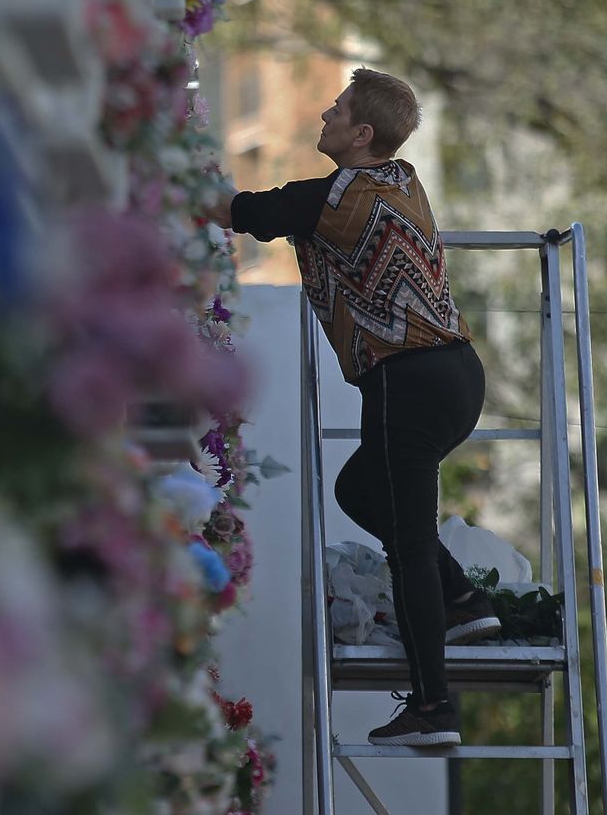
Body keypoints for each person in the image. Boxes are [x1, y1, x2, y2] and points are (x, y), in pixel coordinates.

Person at [204, 68, 501, 747]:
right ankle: (464, 599)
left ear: (361, 133)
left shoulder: (333, 195)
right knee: (360, 488)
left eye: (336, 109)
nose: (324, 114)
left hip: (409, 381)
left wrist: (181, 188)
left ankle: (433, 706)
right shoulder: (403, 179)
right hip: (458, 376)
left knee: (406, 543)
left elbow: (242, 212)